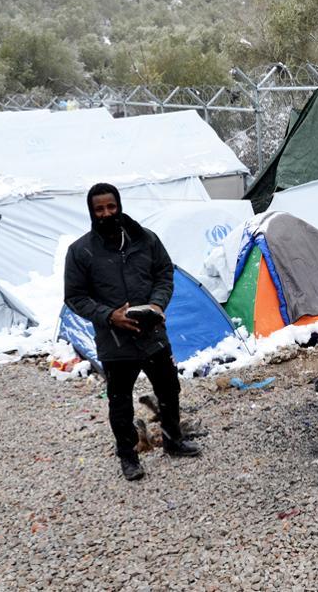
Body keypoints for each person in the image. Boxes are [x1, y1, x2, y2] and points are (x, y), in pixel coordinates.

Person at [64, 183, 200, 481]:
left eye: (110, 207)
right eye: (99, 209)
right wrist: (109, 316)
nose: (106, 213)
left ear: (119, 205)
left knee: (168, 388)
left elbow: (164, 273)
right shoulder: (80, 251)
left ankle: (173, 441)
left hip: (151, 333)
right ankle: (128, 456)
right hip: (115, 339)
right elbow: (74, 297)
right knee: (121, 401)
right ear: (91, 212)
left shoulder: (145, 239)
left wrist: (157, 304)